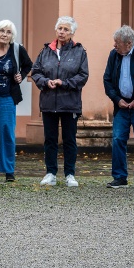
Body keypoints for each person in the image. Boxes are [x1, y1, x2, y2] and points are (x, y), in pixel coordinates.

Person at [31, 16, 89, 187]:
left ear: (72, 33)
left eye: (66, 29)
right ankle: (50, 173)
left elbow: (83, 76)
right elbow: (36, 72)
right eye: (60, 29)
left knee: (69, 140)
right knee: (50, 139)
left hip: (69, 103)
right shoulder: (46, 50)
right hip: (49, 102)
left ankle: (70, 174)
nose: (62, 32)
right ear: (56, 30)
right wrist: (44, 82)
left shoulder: (79, 51)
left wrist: (64, 83)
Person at [0, 20, 32, 182]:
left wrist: (21, 76)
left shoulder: (17, 49)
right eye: (1, 30)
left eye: (8, 32)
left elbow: (28, 65)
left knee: (7, 131)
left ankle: (8, 170)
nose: (4, 34)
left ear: (12, 36)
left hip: (8, 96)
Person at [103, 25, 134, 189]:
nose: (114, 46)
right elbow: (107, 79)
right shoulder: (114, 55)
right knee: (117, 139)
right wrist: (117, 99)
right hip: (121, 106)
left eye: (117, 43)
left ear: (128, 44)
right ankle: (119, 177)